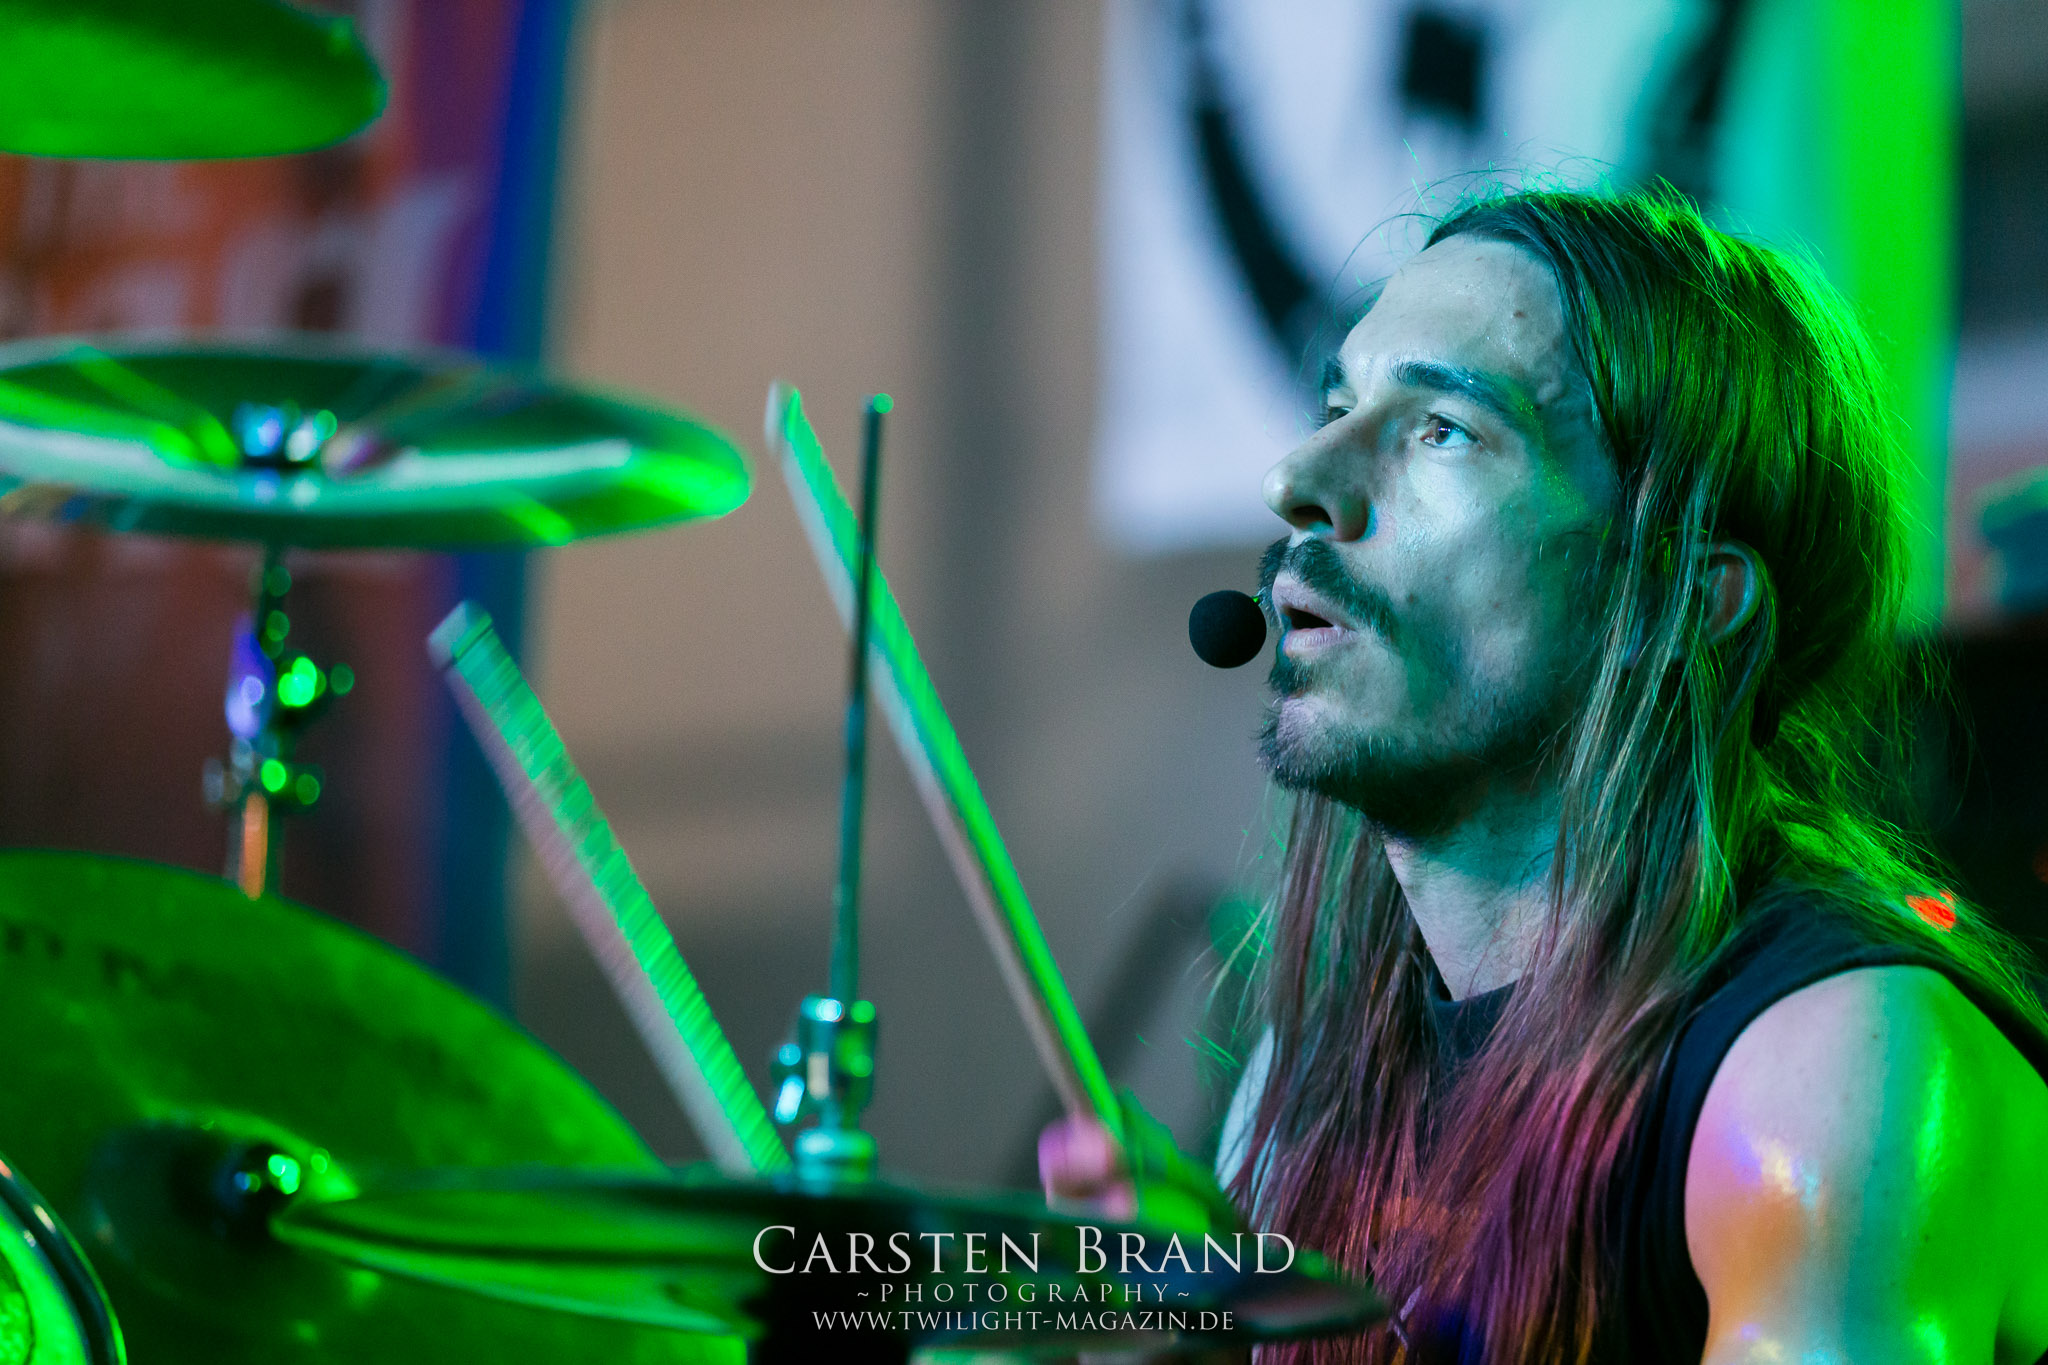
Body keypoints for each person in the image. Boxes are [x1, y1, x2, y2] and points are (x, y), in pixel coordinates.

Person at [1042, 187, 2048, 1365]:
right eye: (1338, 406)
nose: (1298, 477)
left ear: (1674, 597)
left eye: (1441, 429)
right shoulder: (1301, 1085)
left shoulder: (1828, 1074)